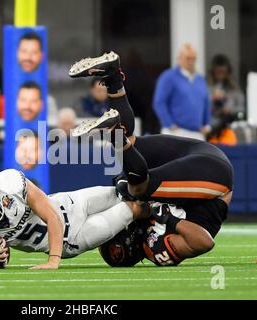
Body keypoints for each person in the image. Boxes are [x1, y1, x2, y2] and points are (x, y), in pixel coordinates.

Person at [69, 51, 233, 266]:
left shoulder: (143, 216)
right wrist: (167, 218)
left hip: (198, 156)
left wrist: (122, 184)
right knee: (138, 186)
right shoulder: (158, 248)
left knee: (130, 154)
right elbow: (204, 243)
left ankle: (113, 78)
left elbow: (126, 179)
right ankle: (115, 133)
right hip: (216, 179)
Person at [0, 170, 149, 270]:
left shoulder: (9, 182)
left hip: (72, 202)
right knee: (134, 209)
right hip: (71, 240)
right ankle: (168, 220)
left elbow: (51, 215)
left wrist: (52, 261)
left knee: (130, 190)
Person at [153, 43, 211, 140]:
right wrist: (170, 124)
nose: (191, 61)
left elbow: (206, 103)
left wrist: (207, 124)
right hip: (176, 133)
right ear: (180, 58)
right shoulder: (168, 77)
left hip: (197, 133)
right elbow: (159, 102)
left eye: (194, 58)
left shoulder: (200, 79)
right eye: (188, 58)